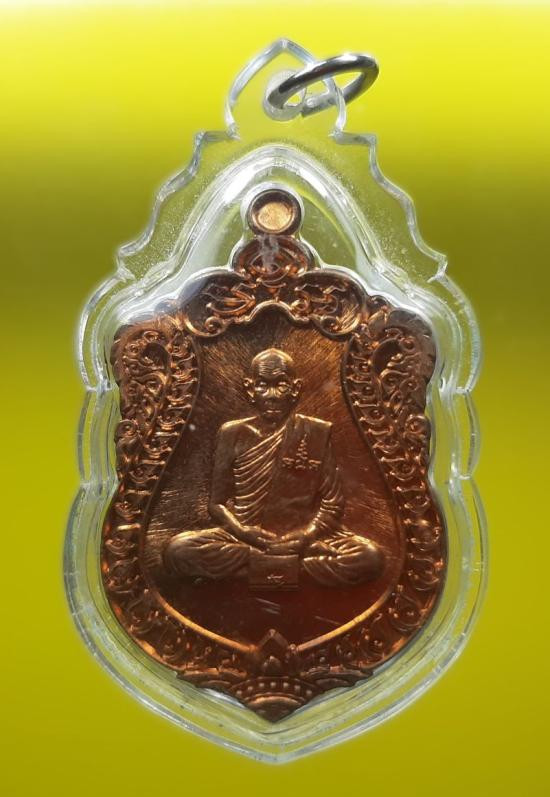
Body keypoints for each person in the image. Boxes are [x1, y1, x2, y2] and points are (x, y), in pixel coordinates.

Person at [163, 348, 384, 587]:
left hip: (301, 538)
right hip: (244, 537)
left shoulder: (315, 432)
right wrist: (243, 532)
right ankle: (288, 567)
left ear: (295, 389)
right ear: (250, 389)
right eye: (262, 385)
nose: (272, 396)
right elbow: (217, 504)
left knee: (370, 557)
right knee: (178, 551)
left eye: (281, 384)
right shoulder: (233, 433)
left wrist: (306, 535)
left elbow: (333, 502)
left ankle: (258, 569)